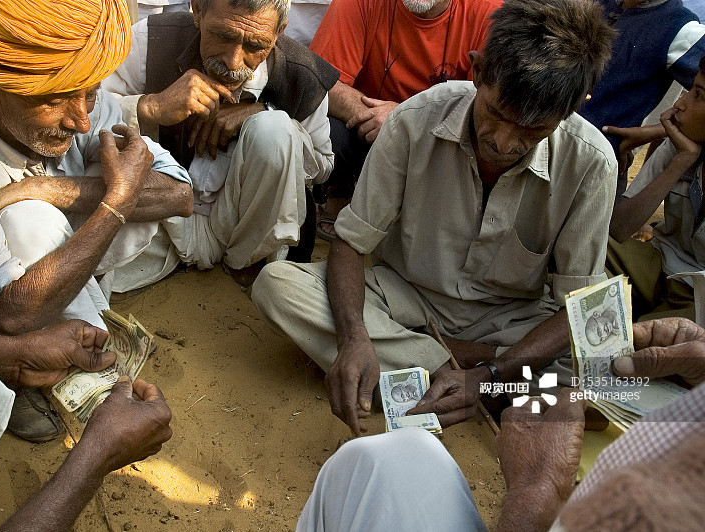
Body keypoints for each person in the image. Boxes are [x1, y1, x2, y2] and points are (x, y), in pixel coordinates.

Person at [253, 0, 617, 435]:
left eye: (533, 130)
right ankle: (469, 378)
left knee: (604, 375)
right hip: (407, 298)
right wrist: (353, 336)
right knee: (278, 285)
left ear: (575, 106)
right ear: (478, 71)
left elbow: (579, 306)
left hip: (511, 320)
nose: (503, 142)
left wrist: (492, 371)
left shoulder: (592, 162)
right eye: (497, 114)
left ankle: (444, 370)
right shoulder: (413, 120)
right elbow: (351, 241)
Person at [0, 4, 172, 530]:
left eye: (88, 95)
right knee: (31, 221)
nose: (82, 119)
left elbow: (181, 195)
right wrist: (114, 201)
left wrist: (56, 189)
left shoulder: (83, 97)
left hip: (4, 317)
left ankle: (31, 370)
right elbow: (13, 311)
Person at [296, 317, 705, 532]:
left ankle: (454, 355)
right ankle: (452, 354)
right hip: (416, 300)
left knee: (373, 463)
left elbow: (572, 307)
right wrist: (355, 334)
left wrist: (536, 492)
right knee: (391, 455)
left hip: (518, 325)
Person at [103, 0, 339, 276]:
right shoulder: (151, 40)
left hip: (245, 233)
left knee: (275, 129)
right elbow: (87, 114)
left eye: (255, 45)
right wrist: (150, 107)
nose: (233, 61)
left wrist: (266, 114)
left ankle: (244, 268)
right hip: (161, 221)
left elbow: (323, 166)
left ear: (279, 31)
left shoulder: (304, 75)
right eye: (223, 36)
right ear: (197, 10)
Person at [308, 0, 500, 240]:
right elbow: (320, 80)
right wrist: (383, 120)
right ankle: (340, 193)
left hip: (439, 142)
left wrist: (402, 119)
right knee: (328, 129)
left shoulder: (489, 13)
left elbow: (483, 109)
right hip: (369, 129)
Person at [607, 56, 705, 322]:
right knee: (582, 253)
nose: (680, 104)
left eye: (699, 96)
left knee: (649, 339)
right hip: (658, 261)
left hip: (699, 294)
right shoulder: (682, 142)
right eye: (690, 90)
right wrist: (681, 160)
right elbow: (620, 228)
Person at [578, 0, 705, 200]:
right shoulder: (601, 4)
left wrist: (658, 130)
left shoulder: (679, 28)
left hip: (594, 169)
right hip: (544, 147)